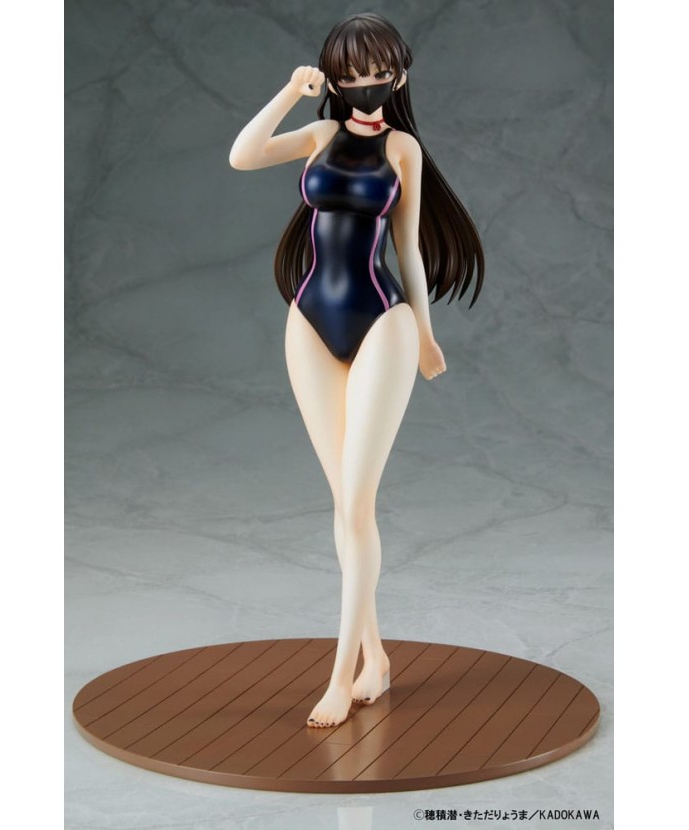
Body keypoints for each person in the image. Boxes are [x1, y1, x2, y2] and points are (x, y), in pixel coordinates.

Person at [229, 13, 484, 728]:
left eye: (378, 73)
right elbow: (243, 156)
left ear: (398, 75)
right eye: (351, 75)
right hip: (308, 321)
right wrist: (290, 92)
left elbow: (409, 248)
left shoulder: (403, 149)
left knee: (358, 504)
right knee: (341, 504)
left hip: (382, 323)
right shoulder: (318, 135)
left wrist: (425, 334)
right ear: (335, 79)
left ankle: (341, 677)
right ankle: (377, 659)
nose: (366, 84)